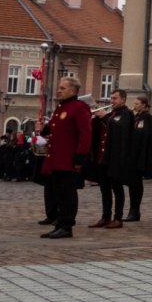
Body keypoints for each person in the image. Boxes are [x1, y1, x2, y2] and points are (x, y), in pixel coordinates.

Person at [40, 77, 92, 239]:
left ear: (73, 90)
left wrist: (80, 157)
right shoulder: (61, 107)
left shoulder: (79, 107)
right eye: (59, 87)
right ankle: (60, 224)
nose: (59, 90)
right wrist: (44, 129)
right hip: (56, 158)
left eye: (62, 88)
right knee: (58, 193)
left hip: (68, 159)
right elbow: (55, 128)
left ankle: (67, 226)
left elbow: (85, 135)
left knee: (68, 193)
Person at [89, 89, 134, 228]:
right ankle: (106, 216)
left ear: (123, 99)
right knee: (104, 189)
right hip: (104, 158)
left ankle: (118, 218)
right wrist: (96, 119)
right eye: (111, 98)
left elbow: (120, 128)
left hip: (116, 158)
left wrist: (104, 117)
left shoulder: (127, 114)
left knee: (117, 188)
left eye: (115, 98)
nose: (112, 101)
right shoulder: (111, 114)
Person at [126, 95, 152, 221]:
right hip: (133, 155)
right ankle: (133, 210)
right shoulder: (136, 117)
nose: (135, 106)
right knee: (132, 184)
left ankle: (135, 210)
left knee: (136, 184)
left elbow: (145, 135)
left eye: (137, 104)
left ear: (143, 105)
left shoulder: (147, 117)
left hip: (140, 155)